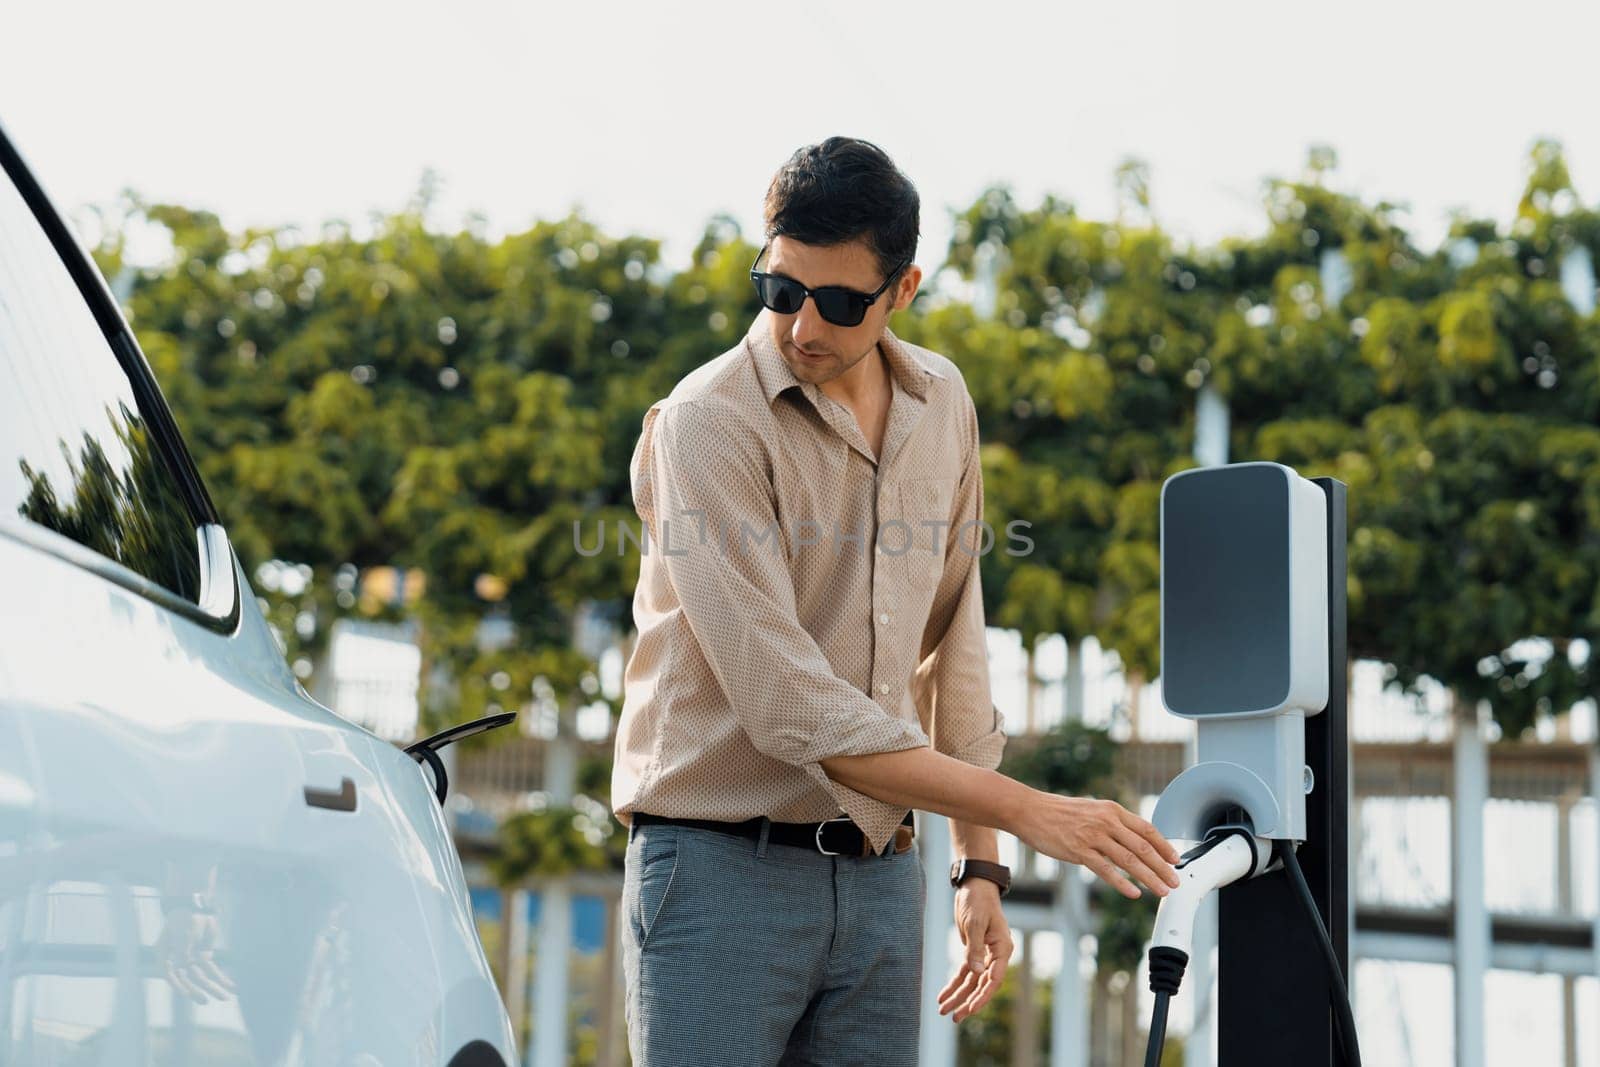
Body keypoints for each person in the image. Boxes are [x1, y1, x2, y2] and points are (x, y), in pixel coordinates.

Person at [611, 135, 1181, 1066]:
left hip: (881, 881)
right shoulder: (706, 423)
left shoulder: (942, 402)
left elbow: (953, 636)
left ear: (903, 290)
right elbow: (789, 702)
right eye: (781, 288)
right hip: (717, 871)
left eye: (839, 302)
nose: (802, 325)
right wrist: (1032, 809)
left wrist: (982, 857)